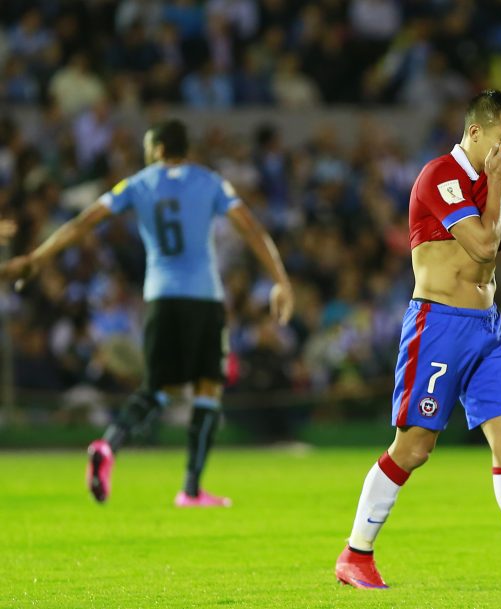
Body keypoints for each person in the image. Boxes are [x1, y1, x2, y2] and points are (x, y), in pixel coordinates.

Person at [333, 90, 501, 590]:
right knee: (414, 447)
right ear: (475, 133)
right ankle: (355, 555)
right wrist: (498, 185)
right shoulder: (440, 176)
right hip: (439, 324)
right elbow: (480, 245)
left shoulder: (495, 183)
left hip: (487, 329)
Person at [0, 119, 293, 507]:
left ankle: (108, 445)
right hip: (203, 298)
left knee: (156, 387)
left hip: (159, 296)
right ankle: (191, 489)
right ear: (184, 148)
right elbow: (252, 229)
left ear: (156, 149)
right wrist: (280, 279)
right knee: (207, 387)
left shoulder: (137, 184)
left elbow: (83, 222)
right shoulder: (209, 182)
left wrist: (36, 258)